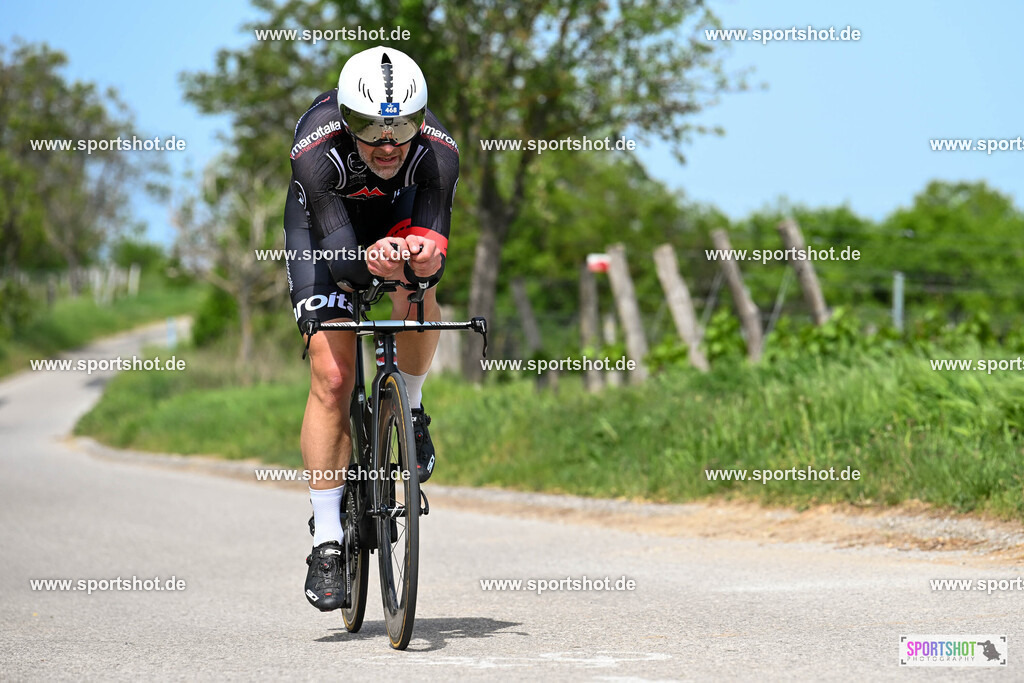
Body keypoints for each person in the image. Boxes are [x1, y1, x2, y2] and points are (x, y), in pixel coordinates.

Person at [283, 45, 459, 611]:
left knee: (420, 288)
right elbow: (341, 263)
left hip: (397, 215)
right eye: (370, 130)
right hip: (325, 232)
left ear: (421, 120)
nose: (387, 145)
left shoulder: (437, 153)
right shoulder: (316, 148)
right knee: (333, 375)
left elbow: (433, 254)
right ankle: (327, 539)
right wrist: (368, 263)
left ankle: (411, 407)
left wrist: (421, 262)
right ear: (345, 119)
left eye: (402, 128)